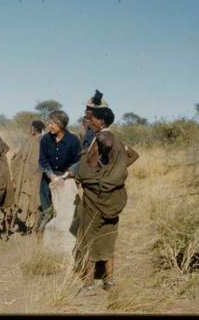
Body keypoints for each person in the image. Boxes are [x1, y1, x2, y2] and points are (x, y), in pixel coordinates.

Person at [73, 106, 138, 296]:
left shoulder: (104, 138)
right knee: (108, 237)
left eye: (91, 118)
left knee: (89, 237)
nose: (87, 120)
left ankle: (89, 284)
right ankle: (109, 281)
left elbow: (108, 146)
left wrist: (102, 179)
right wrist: (112, 170)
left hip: (98, 198)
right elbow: (133, 155)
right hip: (107, 198)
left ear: (101, 121)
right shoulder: (110, 138)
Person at [38, 110, 81, 233]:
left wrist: (64, 176)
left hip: (66, 180)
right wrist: (51, 176)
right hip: (47, 179)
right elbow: (42, 161)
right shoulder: (45, 139)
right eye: (49, 123)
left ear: (61, 125)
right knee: (46, 209)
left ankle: (62, 237)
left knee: (64, 209)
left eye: (52, 123)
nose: (49, 126)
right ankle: (43, 235)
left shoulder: (73, 140)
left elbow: (77, 162)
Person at [11, 120, 45, 234]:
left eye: (31, 128)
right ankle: (36, 227)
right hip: (39, 175)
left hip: (27, 176)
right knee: (36, 201)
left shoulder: (31, 140)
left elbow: (21, 157)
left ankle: (24, 226)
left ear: (33, 129)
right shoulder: (45, 140)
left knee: (25, 198)